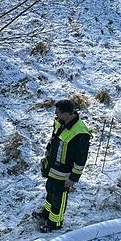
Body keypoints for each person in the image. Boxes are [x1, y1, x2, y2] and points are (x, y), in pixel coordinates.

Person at [35, 99, 91, 232]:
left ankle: (55, 223)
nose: (56, 114)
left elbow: (81, 159)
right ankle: (46, 214)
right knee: (50, 190)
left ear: (67, 114)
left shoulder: (80, 133)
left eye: (58, 112)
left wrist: (73, 178)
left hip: (65, 173)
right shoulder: (61, 122)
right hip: (53, 168)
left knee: (59, 198)